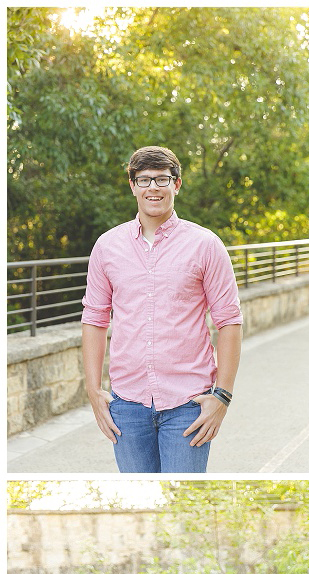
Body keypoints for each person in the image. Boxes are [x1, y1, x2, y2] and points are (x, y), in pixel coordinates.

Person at [81, 145, 243, 473]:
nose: (153, 187)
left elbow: (229, 320)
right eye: (144, 180)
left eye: (162, 179)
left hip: (188, 404)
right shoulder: (107, 246)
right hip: (126, 404)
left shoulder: (206, 245)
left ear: (177, 184)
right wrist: (92, 389)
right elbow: (95, 318)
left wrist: (222, 397)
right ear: (132, 186)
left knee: (184, 502)